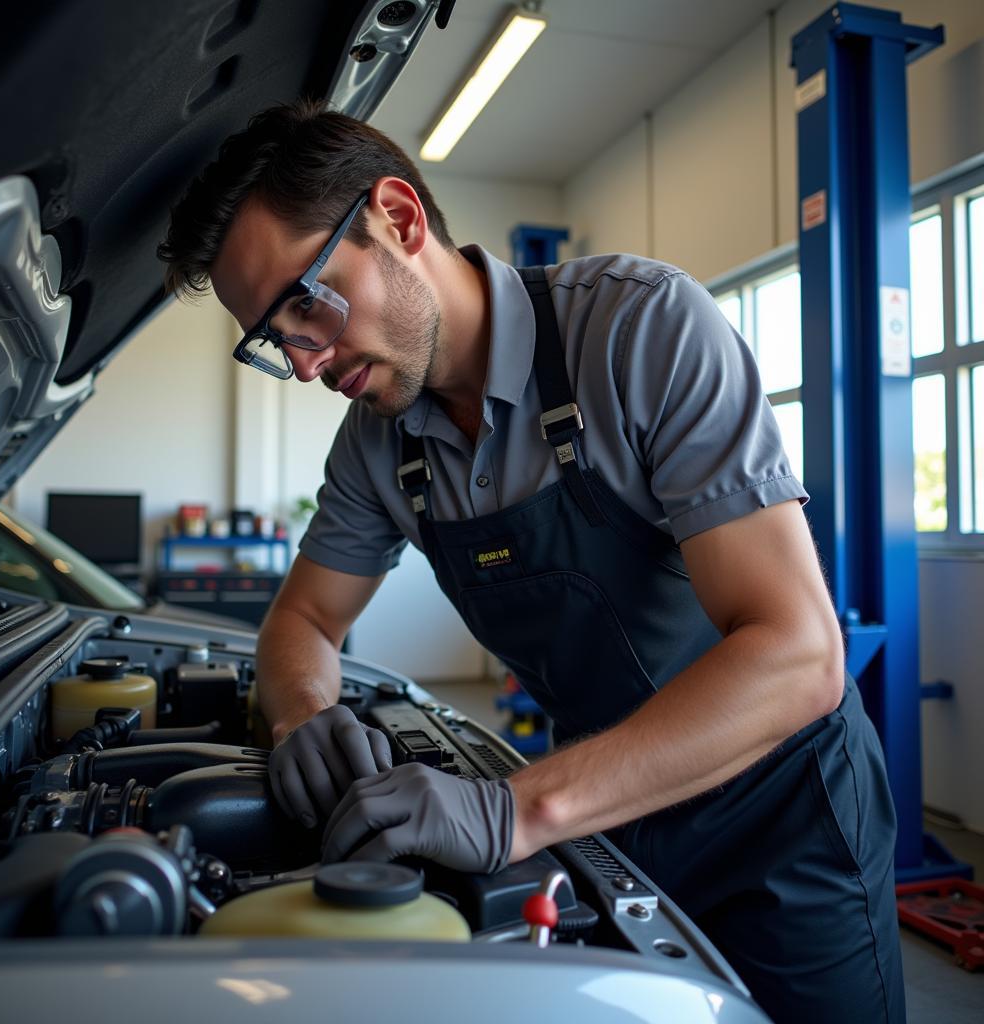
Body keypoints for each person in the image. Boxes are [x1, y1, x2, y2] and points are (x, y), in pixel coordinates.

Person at [159, 100, 904, 1022]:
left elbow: (798, 653)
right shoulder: (376, 447)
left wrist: (513, 813)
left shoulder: (641, 331)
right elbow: (302, 622)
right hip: (607, 813)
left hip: (783, 824)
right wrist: (304, 716)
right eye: (275, 340)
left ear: (400, 216)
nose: (304, 361)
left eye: (305, 302)